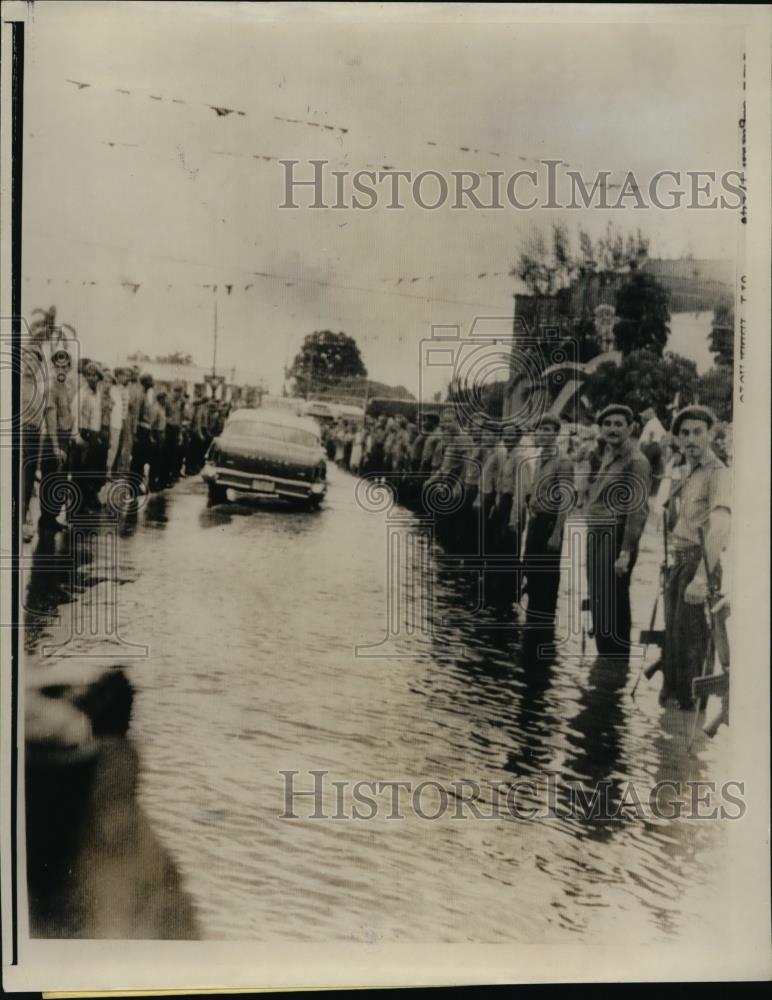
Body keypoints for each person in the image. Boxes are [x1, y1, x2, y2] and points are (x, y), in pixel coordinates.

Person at [657, 405, 731, 709]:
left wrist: (701, 578)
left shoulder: (719, 474)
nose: (691, 438)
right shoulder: (688, 471)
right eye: (684, 433)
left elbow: (721, 528)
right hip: (679, 562)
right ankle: (671, 732)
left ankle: (692, 726)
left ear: (711, 434)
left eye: (698, 432)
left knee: (693, 651)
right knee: (673, 647)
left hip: (699, 566)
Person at [584, 404, 651, 662]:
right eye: (607, 424)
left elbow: (638, 511)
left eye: (618, 424)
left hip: (615, 537)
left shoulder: (636, 461)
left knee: (613, 600)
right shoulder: (609, 455)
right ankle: (606, 663)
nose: (612, 429)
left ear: (631, 427)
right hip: (597, 534)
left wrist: (625, 551)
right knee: (599, 597)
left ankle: (614, 663)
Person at [522, 414, 576, 643]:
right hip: (536, 520)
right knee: (531, 569)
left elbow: (565, 500)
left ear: (556, 433)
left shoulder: (562, 461)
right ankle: (532, 619)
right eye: (539, 429)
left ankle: (543, 624)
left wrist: (556, 533)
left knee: (546, 574)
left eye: (547, 430)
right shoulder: (540, 457)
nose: (542, 434)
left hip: (550, 523)